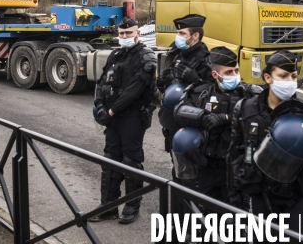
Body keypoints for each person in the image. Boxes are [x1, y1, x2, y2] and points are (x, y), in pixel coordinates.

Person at [227, 50, 303, 241]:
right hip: (261, 191)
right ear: (267, 77)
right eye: (283, 76)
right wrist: (235, 199)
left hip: (299, 194)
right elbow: (234, 154)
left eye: (293, 76)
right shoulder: (246, 109)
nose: (290, 81)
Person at [90, 16, 157, 224]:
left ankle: (131, 206)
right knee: (110, 160)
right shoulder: (116, 55)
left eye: (129, 33)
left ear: (138, 33)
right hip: (112, 118)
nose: (125, 36)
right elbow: (101, 83)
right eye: (122, 33)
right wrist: (100, 106)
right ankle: (108, 206)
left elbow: (134, 91)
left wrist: (110, 112)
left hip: (133, 117)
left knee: (131, 162)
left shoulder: (146, 56)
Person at [174, 46, 261, 203]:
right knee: (206, 216)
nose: (234, 75)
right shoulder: (203, 93)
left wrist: (226, 118)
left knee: (235, 219)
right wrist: (201, 116)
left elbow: (262, 119)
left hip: (236, 168)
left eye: (236, 71)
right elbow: (179, 111)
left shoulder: (250, 94)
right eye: (228, 72)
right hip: (208, 167)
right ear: (215, 74)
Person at [156, 14, 212, 178]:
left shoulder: (206, 60)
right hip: (173, 122)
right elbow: (167, 88)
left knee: (193, 176)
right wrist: (164, 81)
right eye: (178, 33)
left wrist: (195, 79)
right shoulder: (179, 56)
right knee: (178, 171)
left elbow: (214, 93)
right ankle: (178, 203)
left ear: (195, 36)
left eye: (182, 34)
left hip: (193, 125)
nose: (178, 37)